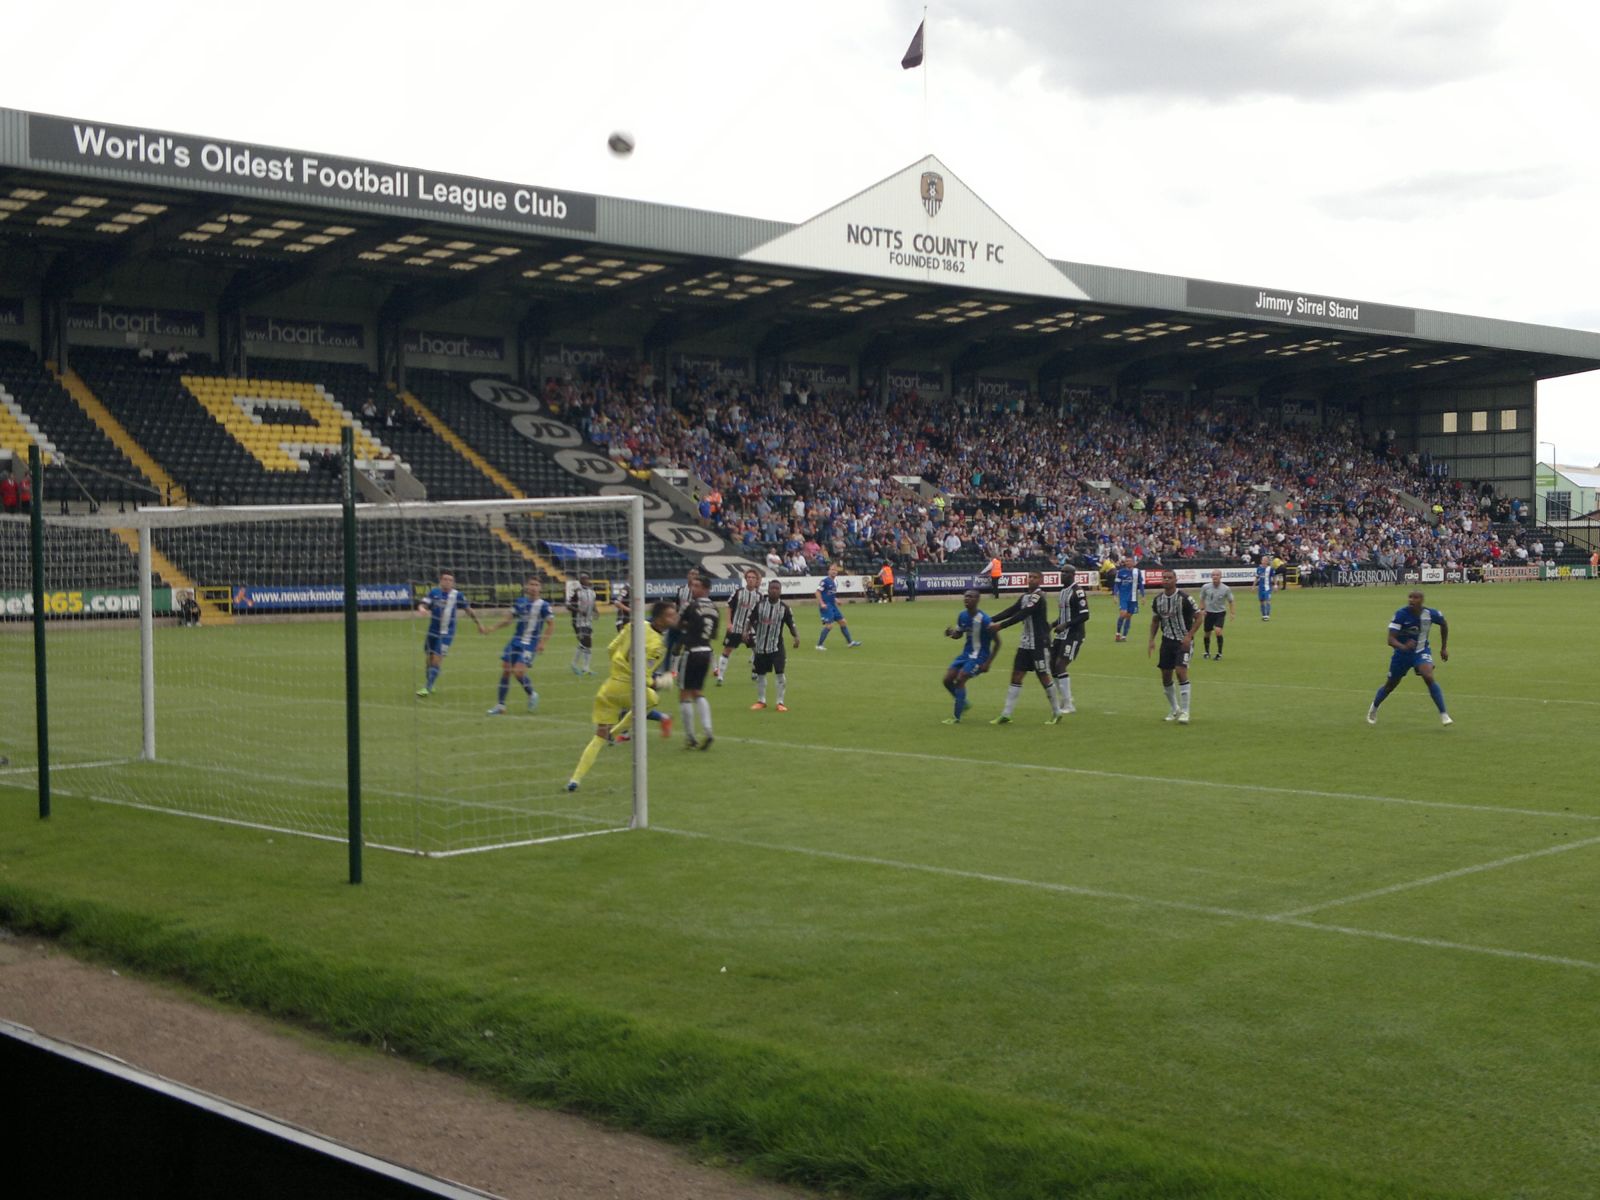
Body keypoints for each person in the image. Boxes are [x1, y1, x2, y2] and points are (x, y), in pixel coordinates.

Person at [566, 600, 678, 791]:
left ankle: (575, 779)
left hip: (610, 687)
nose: (674, 618)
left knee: (598, 736)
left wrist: (619, 667)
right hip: (628, 688)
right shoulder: (657, 646)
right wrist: (660, 682)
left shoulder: (634, 625)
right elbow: (641, 675)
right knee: (652, 699)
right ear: (659, 619)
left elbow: (611, 648)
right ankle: (616, 733)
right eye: (670, 615)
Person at [987, 571, 1063, 725]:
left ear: (1040, 580)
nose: (1031, 579)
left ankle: (1056, 712)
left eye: (1035, 577)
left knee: (1043, 676)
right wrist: (989, 619)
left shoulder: (1038, 597)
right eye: (1030, 577)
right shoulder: (1024, 597)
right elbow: (1011, 611)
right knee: (1016, 675)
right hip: (1025, 643)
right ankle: (1006, 714)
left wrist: (1001, 626)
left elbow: (1023, 614)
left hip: (1039, 643)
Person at [1368, 590, 1452, 726]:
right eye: (1410, 597)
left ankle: (1444, 714)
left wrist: (1443, 648)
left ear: (1422, 600)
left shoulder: (1430, 614)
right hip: (1402, 655)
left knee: (1428, 676)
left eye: (1415, 597)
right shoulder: (1401, 614)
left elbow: (1444, 624)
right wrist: (1403, 646)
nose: (1412, 600)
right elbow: (1390, 639)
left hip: (1421, 650)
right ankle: (1374, 707)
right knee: (1390, 685)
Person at [484, 577, 552, 714]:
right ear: (527, 586)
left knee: (519, 672)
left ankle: (532, 694)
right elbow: (508, 620)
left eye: (536, 585)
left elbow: (551, 625)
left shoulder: (544, 605)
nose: (534, 587)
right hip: (515, 641)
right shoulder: (520, 602)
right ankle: (500, 705)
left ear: (540, 588)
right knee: (506, 670)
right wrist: (493, 628)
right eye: (531, 584)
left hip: (530, 644)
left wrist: (542, 643)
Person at [415, 571, 485, 697]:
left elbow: (468, 610)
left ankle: (427, 687)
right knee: (429, 659)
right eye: (445, 579)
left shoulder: (457, 595)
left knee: (437, 658)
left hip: (447, 633)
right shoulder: (434, 593)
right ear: (440, 581)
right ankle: (430, 682)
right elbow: (424, 604)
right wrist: (422, 609)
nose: (447, 582)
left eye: (450, 580)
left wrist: (479, 624)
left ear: (453, 583)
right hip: (432, 631)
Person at [1148, 573, 1202, 724]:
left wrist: (1189, 636)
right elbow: (1155, 620)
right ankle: (1174, 708)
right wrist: (1151, 640)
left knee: (1180, 671)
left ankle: (1185, 711)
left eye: (1169, 578)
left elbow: (1199, 617)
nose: (1166, 580)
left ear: (1175, 580)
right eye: (1164, 578)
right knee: (1166, 676)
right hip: (1167, 641)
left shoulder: (1185, 598)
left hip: (1183, 641)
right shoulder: (1158, 600)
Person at [941, 589, 1000, 724]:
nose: (967, 599)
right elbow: (959, 634)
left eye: (971, 597)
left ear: (978, 600)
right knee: (947, 680)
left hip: (980, 657)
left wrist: (988, 663)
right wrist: (951, 633)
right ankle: (963, 702)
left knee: (961, 678)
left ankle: (956, 717)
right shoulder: (962, 615)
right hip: (965, 655)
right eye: (966, 596)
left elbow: (998, 642)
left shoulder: (985, 620)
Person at [676, 574, 720, 749]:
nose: (692, 589)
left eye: (696, 586)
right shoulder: (715, 609)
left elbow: (679, 625)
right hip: (706, 652)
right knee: (698, 692)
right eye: (692, 585)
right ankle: (708, 731)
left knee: (684, 694)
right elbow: (713, 634)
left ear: (705, 589)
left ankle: (690, 737)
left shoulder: (690, 605)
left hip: (691, 652)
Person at [748, 579, 799, 711]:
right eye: (772, 588)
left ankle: (780, 702)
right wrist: (745, 632)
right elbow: (750, 619)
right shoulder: (760, 605)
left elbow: (791, 624)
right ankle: (761, 701)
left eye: (777, 589)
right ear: (768, 590)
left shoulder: (784, 608)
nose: (774, 591)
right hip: (760, 646)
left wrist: (796, 636)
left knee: (780, 673)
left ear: (780, 591)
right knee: (760, 674)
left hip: (777, 646)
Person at [1050, 570, 1090, 715]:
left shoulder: (1078, 592)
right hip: (1061, 634)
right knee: (1052, 666)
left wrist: (1066, 625)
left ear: (1072, 575)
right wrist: (1052, 624)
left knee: (1061, 665)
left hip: (1074, 634)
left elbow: (1085, 615)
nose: (1062, 575)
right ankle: (1065, 698)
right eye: (1061, 572)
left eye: (1065, 573)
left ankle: (1068, 704)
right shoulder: (1062, 591)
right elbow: (1063, 616)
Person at [715, 567, 763, 685]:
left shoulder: (759, 596)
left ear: (757, 580)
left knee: (758, 650)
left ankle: (755, 671)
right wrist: (729, 623)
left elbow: (759, 613)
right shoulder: (738, 592)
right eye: (749, 577)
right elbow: (729, 607)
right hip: (736, 627)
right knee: (727, 650)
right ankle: (720, 676)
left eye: (753, 578)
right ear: (746, 579)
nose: (750, 579)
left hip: (750, 629)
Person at [815, 563, 860, 650]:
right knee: (829, 626)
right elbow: (817, 592)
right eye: (832, 570)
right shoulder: (825, 581)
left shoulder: (835, 582)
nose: (834, 571)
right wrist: (822, 603)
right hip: (826, 606)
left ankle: (850, 642)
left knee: (843, 622)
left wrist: (836, 600)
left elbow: (830, 594)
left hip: (833, 605)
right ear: (828, 571)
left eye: (835, 570)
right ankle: (819, 645)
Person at [1198, 569, 1237, 660]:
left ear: (1220, 576)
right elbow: (1202, 599)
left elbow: (1231, 601)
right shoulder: (1205, 587)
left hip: (1220, 613)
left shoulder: (1226, 589)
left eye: (1217, 575)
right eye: (1213, 575)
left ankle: (1219, 653)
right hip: (1208, 613)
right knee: (1207, 633)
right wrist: (1202, 610)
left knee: (1218, 631)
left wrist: (1232, 613)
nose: (1215, 577)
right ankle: (1207, 652)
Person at [568, 572, 598, 675]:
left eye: (587, 578)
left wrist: (596, 611)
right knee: (586, 641)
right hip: (578, 622)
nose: (585, 580)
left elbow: (593, 603)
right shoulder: (577, 592)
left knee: (587, 644)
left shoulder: (592, 592)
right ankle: (576, 664)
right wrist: (579, 611)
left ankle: (585, 667)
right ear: (580, 581)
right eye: (583, 579)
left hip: (588, 621)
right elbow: (568, 605)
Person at [1113, 557, 1143, 642]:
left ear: (1133, 563)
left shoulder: (1137, 572)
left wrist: (1143, 596)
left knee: (1129, 617)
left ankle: (1124, 636)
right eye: (1126, 561)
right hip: (1123, 596)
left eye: (1130, 561)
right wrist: (1115, 595)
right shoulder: (1120, 572)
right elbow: (1116, 584)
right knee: (1123, 614)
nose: (1128, 562)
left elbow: (1140, 584)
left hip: (1133, 597)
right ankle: (1118, 633)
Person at [1255, 553, 1274, 621]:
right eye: (1263, 560)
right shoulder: (1259, 568)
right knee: (1261, 601)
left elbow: (1274, 576)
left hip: (1267, 587)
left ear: (1267, 561)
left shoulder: (1270, 569)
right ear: (1261, 561)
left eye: (1266, 560)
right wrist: (1253, 586)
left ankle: (1267, 615)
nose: (1264, 561)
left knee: (1268, 601)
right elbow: (1257, 577)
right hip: (1260, 588)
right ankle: (1263, 615)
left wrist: (1275, 585)